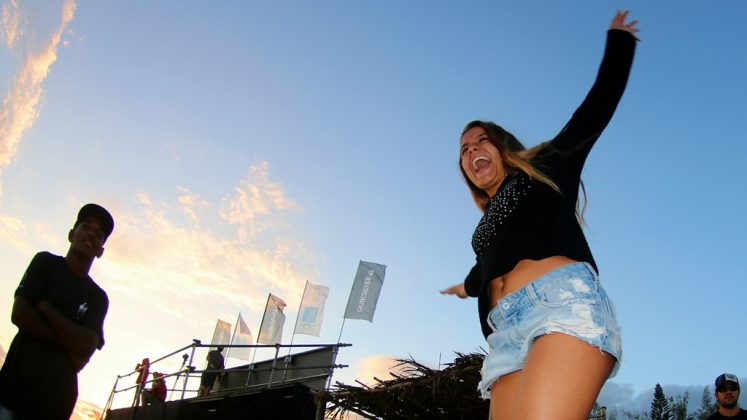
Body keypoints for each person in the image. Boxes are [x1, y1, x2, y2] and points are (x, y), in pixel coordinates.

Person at [440, 11, 638, 420]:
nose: (472, 150)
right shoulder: (483, 230)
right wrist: (465, 286)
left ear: (501, 146)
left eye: (481, 141)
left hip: (558, 304)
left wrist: (618, 45)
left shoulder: (546, 167)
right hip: (503, 335)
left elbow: (594, 111)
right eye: (464, 149)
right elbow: (485, 269)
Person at [0, 203, 114, 420]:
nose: (91, 233)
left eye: (98, 234)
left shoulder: (98, 298)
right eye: (85, 226)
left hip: (54, 405)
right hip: (11, 392)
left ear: (100, 250)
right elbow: (20, 314)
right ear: (72, 234)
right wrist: (70, 345)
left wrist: (46, 309)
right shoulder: (45, 263)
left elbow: (87, 346)